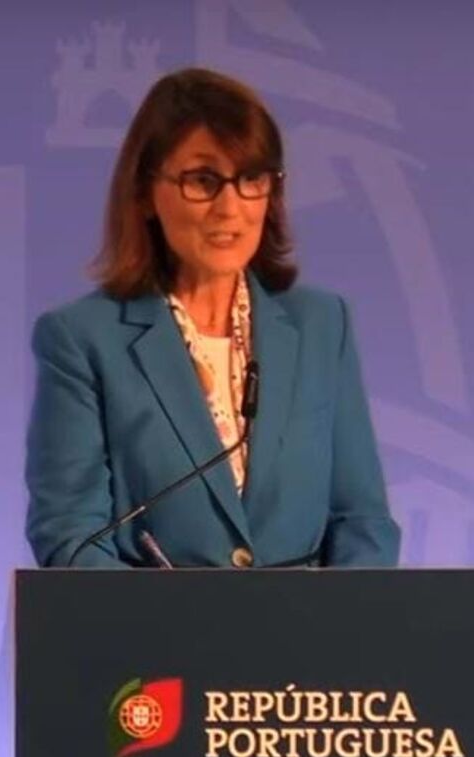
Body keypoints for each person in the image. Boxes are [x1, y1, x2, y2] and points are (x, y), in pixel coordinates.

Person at [25, 68, 400, 569]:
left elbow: (363, 520)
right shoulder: (82, 339)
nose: (230, 207)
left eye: (251, 179)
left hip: (312, 619)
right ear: (145, 193)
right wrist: (177, 621)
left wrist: (338, 617)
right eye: (203, 181)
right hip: (153, 622)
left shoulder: (323, 325)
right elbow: (71, 536)